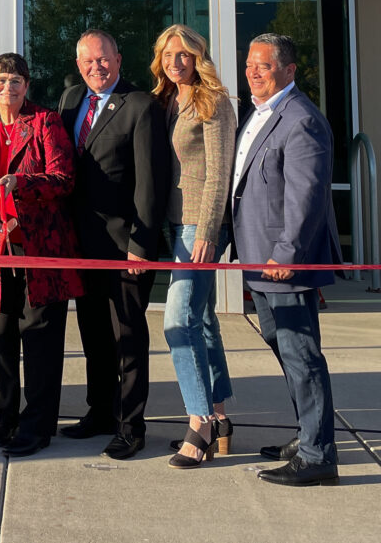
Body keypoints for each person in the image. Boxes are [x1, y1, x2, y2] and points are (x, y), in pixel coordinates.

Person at [0, 53, 83, 458]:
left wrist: (21, 183)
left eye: (15, 80)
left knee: (41, 341)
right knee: (1, 339)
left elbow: (63, 179)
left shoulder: (46, 122)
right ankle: (4, 416)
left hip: (41, 250)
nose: (7, 88)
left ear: (26, 85)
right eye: (0, 80)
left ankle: (38, 425)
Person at [232, 33, 341, 487]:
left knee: (302, 355)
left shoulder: (300, 119)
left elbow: (306, 197)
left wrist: (288, 253)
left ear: (289, 70)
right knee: (286, 350)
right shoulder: (260, 113)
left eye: (264, 65)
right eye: (250, 65)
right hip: (258, 261)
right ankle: (308, 434)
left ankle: (318, 455)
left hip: (283, 263)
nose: (253, 72)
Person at [57, 29, 168, 460]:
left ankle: (130, 425)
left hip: (126, 248)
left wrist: (141, 244)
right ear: (78, 64)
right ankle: (100, 412)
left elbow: (150, 183)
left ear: (118, 59)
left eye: (103, 59)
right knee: (93, 334)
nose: (96, 67)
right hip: (82, 245)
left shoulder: (139, 104)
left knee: (127, 337)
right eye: (88, 61)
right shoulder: (71, 100)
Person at [150, 24, 236, 468]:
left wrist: (207, 231)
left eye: (183, 54)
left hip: (198, 225)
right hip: (173, 221)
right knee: (201, 320)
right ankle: (220, 416)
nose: (175, 62)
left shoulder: (213, 101)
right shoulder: (167, 99)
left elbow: (220, 172)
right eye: (168, 55)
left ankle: (199, 422)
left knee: (177, 322)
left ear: (198, 57)